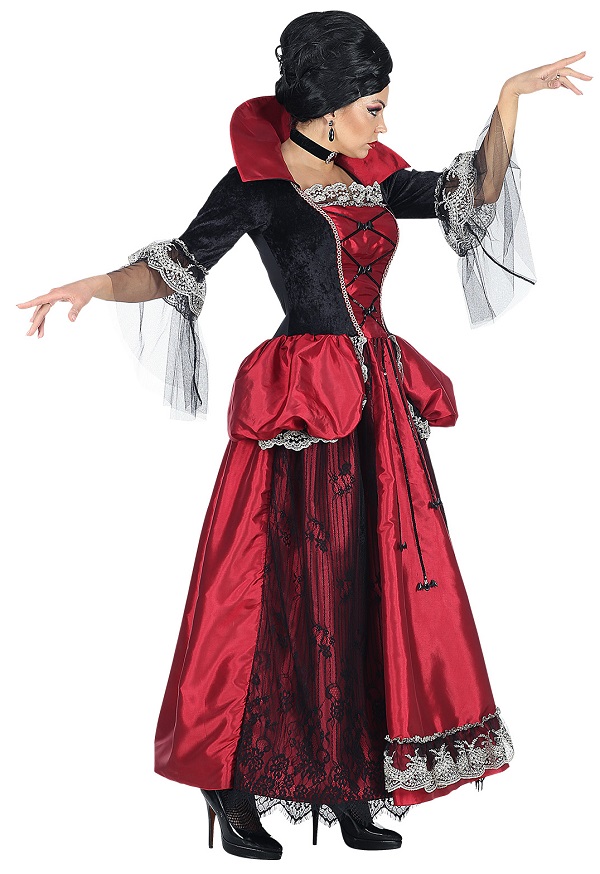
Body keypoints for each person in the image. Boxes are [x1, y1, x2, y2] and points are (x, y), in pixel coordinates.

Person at [16, 10, 591, 862]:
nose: (383, 125)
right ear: (326, 108)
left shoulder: (374, 175)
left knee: (367, 586)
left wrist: (508, 98)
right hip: (300, 414)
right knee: (283, 589)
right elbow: (178, 264)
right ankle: (233, 787)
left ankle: (354, 778)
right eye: (373, 108)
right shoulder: (256, 186)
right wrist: (93, 285)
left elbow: (471, 192)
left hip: (379, 410)